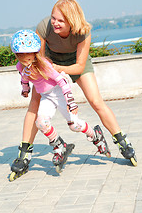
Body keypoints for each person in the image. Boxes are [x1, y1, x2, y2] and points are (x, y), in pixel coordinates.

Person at [17, 0, 137, 167]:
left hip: (76, 63)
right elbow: (39, 58)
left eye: (60, 20)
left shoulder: (83, 31)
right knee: (35, 103)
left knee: (96, 102)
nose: (55, 23)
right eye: (53, 18)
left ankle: (122, 141)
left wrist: (57, 69)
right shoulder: (44, 27)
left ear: (72, 20)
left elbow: (80, 67)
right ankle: (24, 152)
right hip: (50, 62)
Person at [10, 29, 111, 179]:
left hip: (60, 93)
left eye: (27, 53)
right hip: (47, 96)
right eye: (19, 54)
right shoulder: (21, 65)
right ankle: (59, 145)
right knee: (41, 122)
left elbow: (62, 81)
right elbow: (24, 77)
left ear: (35, 52)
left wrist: (71, 102)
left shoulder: (43, 65)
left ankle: (96, 135)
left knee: (74, 126)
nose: (23, 58)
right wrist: (25, 88)